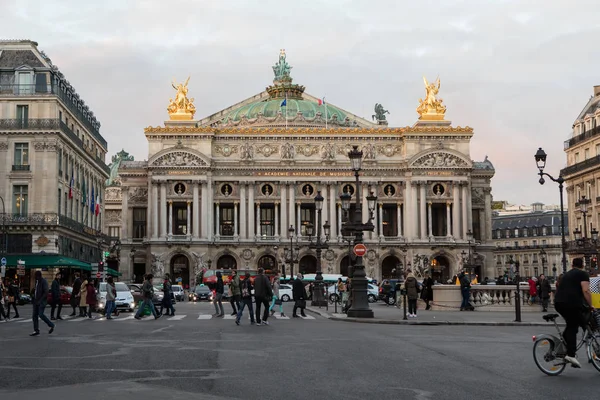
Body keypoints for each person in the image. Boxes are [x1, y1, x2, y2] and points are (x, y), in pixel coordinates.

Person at [554, 258, 592, 368]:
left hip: (559, 303)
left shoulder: (566, 274)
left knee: (575, 323)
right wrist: (591, 305)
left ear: (572, 265)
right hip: (570, 304)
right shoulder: (583, 274)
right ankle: (571, 355)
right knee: (573, 326)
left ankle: (568, 350)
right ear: (583, 265)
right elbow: (586, 291)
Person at [31, 271, 55, 336]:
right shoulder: (37, 282)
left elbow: (46, 291)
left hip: (41, 301)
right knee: (34, 316)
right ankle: (36, 330)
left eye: (36, 276)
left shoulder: (43, 281)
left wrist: (41, 300)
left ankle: (51, 325)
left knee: (41, 314)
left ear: (38, 276)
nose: (35, 278)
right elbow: (36, 290)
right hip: (36, 301)